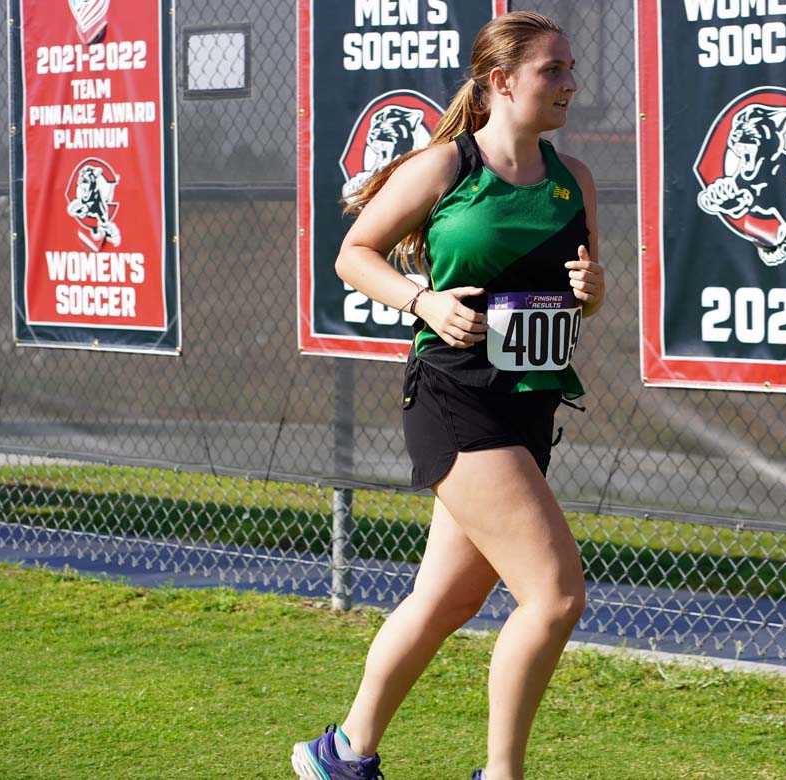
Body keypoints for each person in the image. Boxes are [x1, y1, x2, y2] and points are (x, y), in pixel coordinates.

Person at [291, 11, 604, 780]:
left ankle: (342, 753)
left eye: (570, 69)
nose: (570, 83)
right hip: (453, 397)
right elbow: (352, 254)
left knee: (445, 602)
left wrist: (594, 292)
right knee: (556, 596)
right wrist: (421, 300)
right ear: (500, 81)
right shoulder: (445, 169)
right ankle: (501, 774)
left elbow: (585, 301)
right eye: (551, 70)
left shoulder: (574, 181)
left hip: (529, 406)